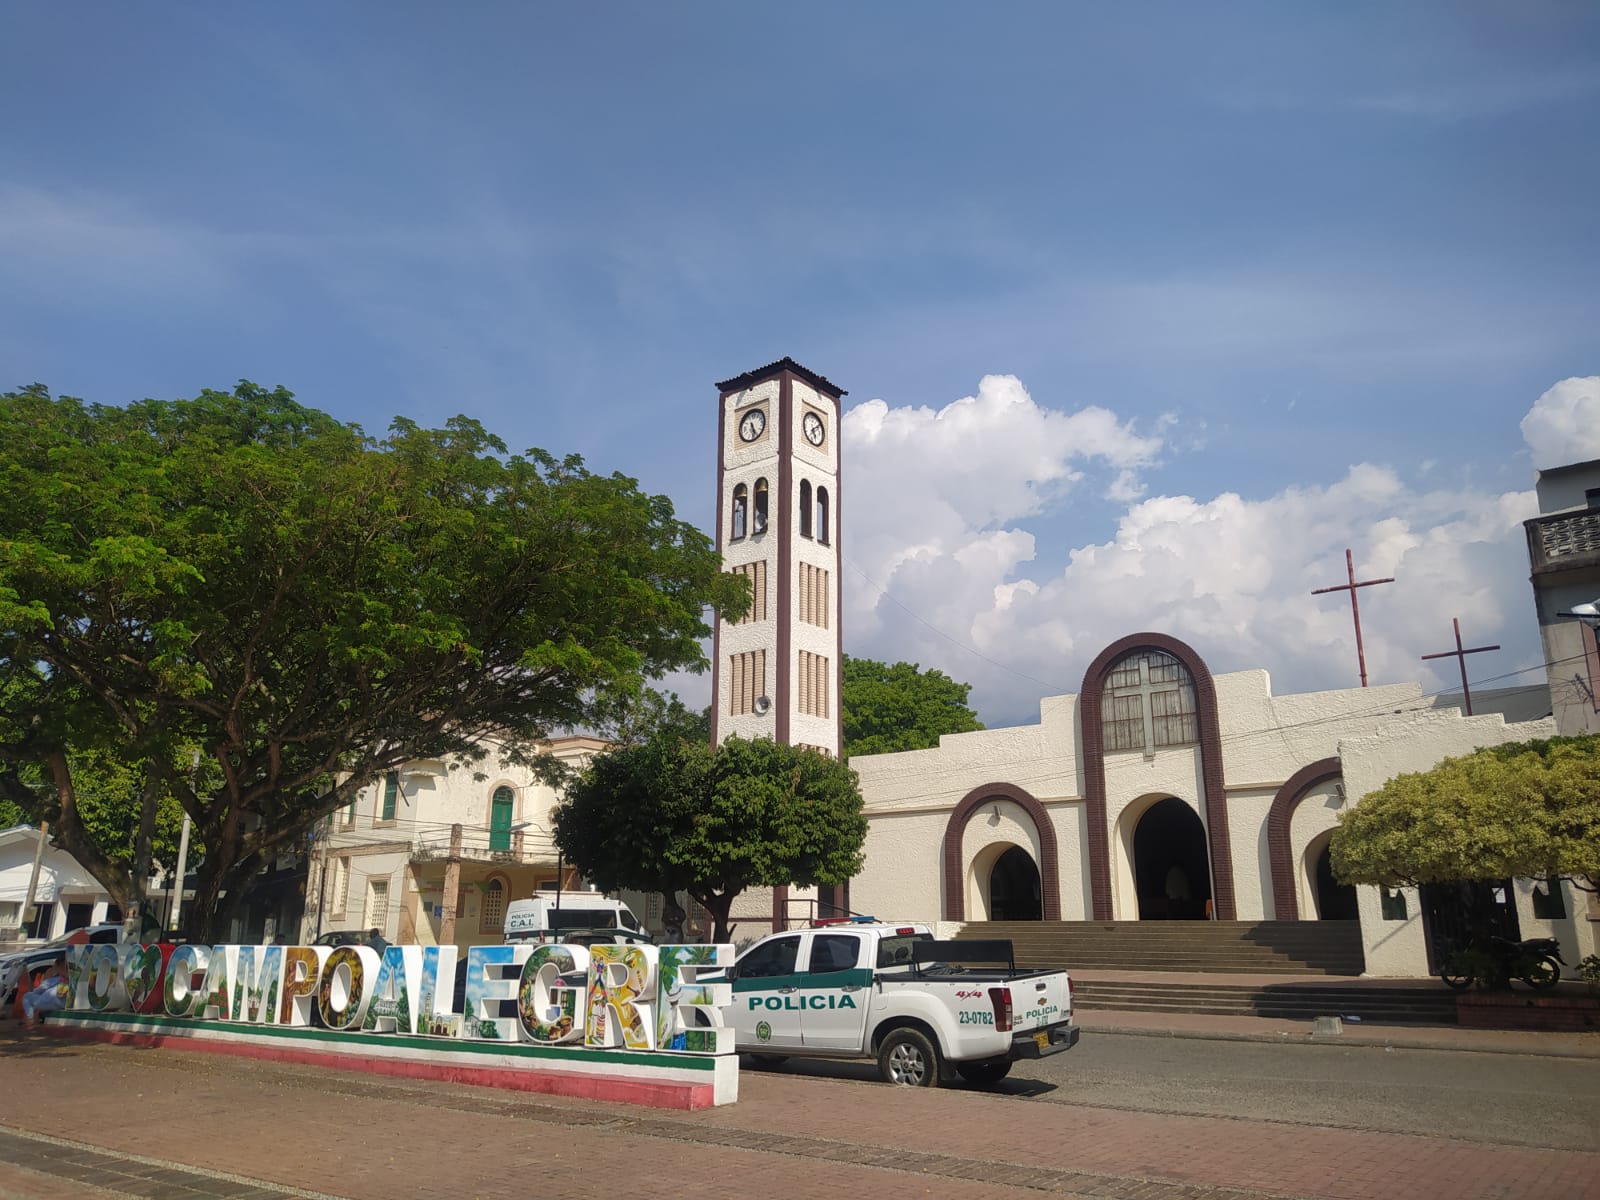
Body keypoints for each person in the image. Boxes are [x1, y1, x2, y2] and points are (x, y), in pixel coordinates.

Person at [22, 960, 69, 1027]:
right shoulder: (72, 980)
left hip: (49, 1002)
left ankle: (30, 1019)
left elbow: (39, 991)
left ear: (57, 968)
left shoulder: (54, 979)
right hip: (64, 1004)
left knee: (27, 996)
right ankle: (32, 1017)